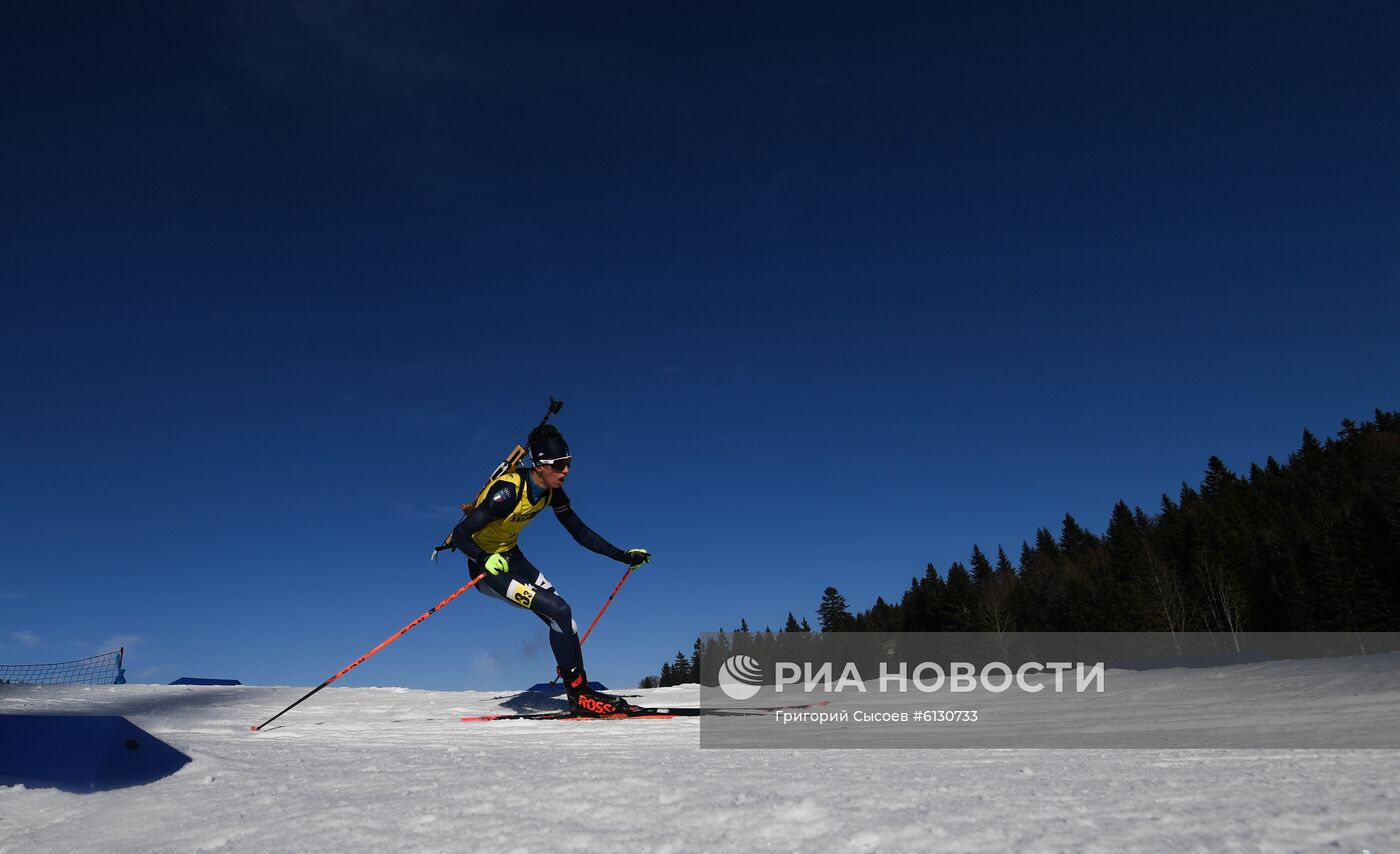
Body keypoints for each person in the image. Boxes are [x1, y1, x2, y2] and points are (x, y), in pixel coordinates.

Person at [449, 423, 650, 716]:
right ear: (540, 465)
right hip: (487, 569)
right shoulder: (506, 492)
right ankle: (580, 697)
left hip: (512, 557)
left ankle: (579, 692)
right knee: (559, 610)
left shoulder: (551, 492)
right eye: (559, 465)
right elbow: (460, 534)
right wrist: (483, 558)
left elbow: (579, 532)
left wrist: (622, 555)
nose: (566, 470)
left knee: (566, 622)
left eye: (569, 463)